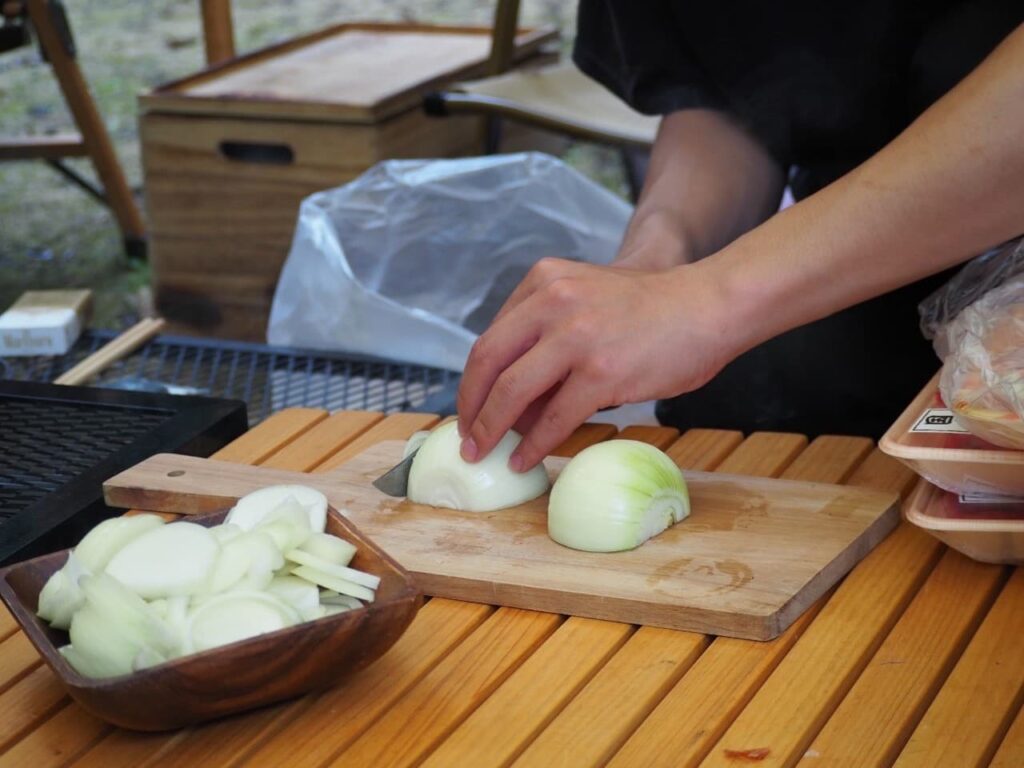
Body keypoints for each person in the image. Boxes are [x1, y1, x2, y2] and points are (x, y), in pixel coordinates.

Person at [456, 3, 1024, 472]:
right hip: (849, 255)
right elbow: (731, 93)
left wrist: (711, 298)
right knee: (745, 392)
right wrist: (655, 262)